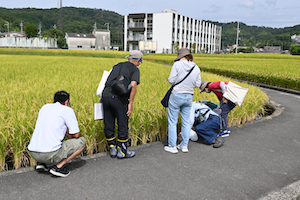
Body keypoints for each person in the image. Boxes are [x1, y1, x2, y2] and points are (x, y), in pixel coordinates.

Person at [28, 91, 86, 177]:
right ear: (67, 101)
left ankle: (41, 163)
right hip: (49, 154)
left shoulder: (45, 107)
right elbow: (77, 135)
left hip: (33, 153)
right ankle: (59, 167)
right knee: (82, 142)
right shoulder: (67, 110)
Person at [102, 50, 142, 159]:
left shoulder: (117, 65)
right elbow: (133, 86)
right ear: (138, 60)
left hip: (105, 96)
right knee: (122, 124)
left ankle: (112, 149)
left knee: (109, 123)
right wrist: (131, 103)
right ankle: (122, 152)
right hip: (119, 98)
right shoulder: (134, 69)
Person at [164, 48, 201, 154]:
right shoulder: (195, 67)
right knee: (185, 122)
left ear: (180, 56)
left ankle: (172, 146)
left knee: (172, 122)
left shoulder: (177, 65)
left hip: (176, 95)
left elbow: (171, 80)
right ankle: (184, 145)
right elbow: (198, 85)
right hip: (189, 96)